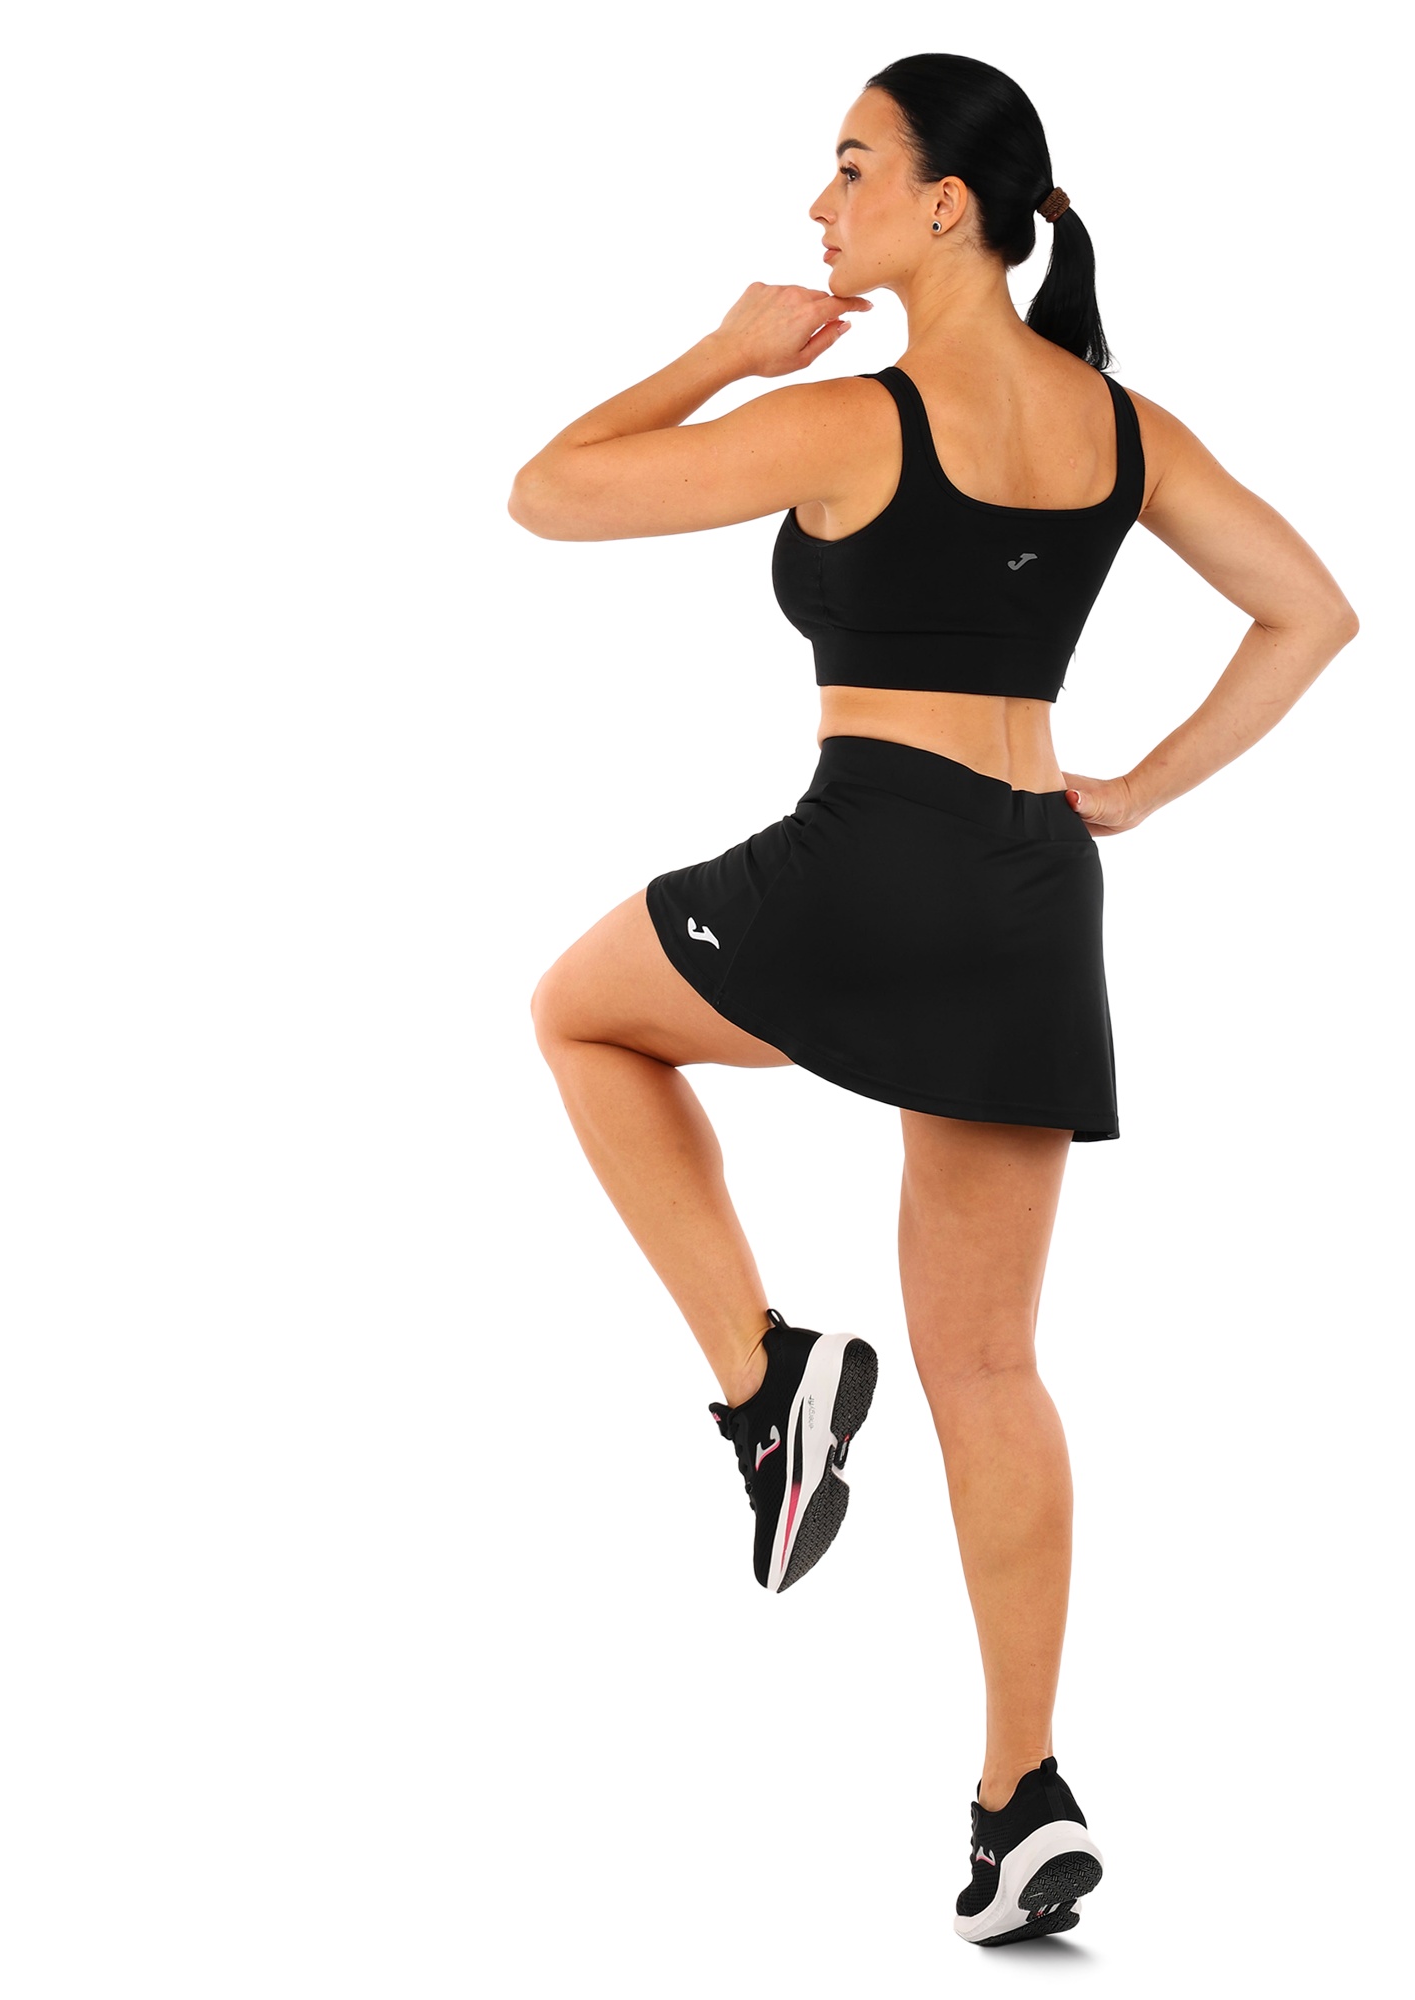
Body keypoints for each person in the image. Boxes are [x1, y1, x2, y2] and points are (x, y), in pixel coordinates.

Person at [510, 51, 1358, 1946]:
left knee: (580, 1013)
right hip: (1034, 891)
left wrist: (727, 352)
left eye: (850, 168)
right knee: (989, 1369)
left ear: (947, 205)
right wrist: (1130, 791)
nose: (821, 208)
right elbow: (1311, 609)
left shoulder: (850, 418)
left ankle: (767, 1381)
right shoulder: (1124, 428)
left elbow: (546, 494)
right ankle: (1020, 1797)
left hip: (871, 854)